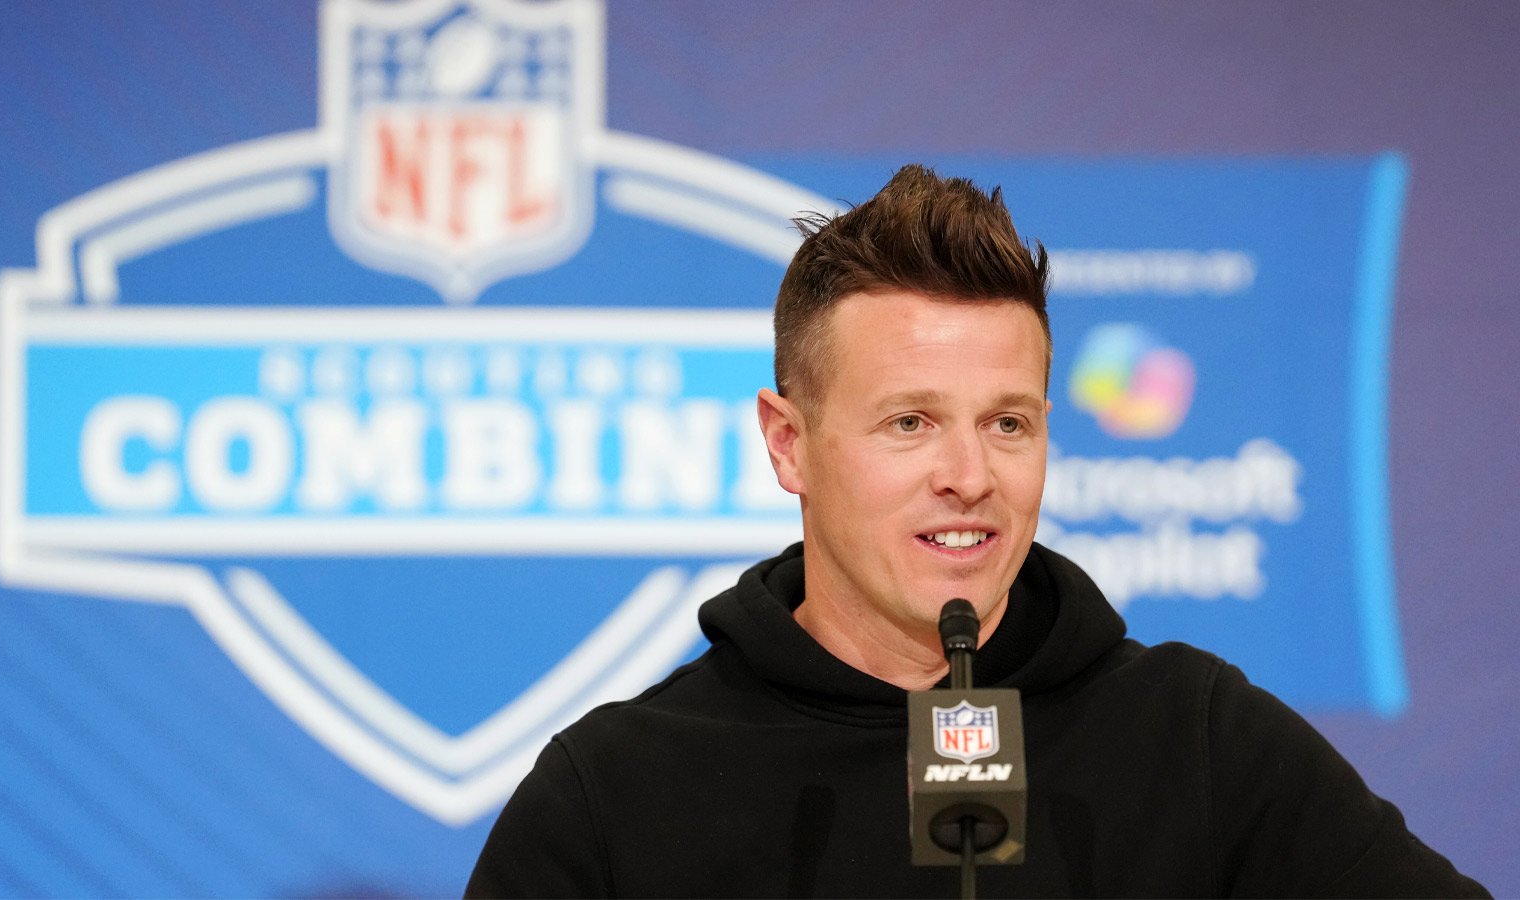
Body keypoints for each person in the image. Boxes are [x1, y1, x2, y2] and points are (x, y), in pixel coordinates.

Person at [465, 166, 1488, 898]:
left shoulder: (1200, 741)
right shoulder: (618, 795)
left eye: (1008, 423)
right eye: (909, 423)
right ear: (789, 444)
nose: (968, 477)